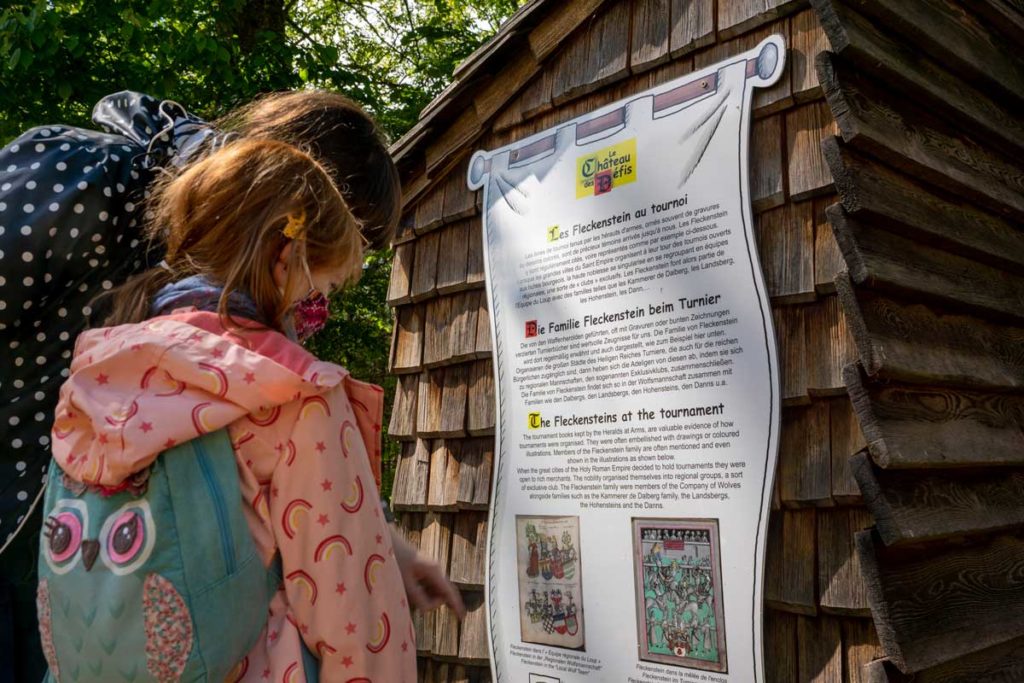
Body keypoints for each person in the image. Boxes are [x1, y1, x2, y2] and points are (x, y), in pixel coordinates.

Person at [1, 90, 454, 681]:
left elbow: (295, 474)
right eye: (330, 260)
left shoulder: (214, 305)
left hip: (75, 571)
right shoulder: (82, 182)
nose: (318, 302)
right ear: (289, 225)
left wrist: (383, 545)